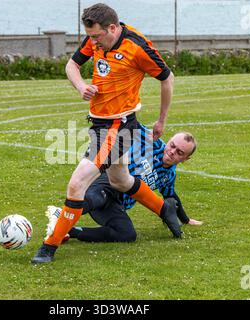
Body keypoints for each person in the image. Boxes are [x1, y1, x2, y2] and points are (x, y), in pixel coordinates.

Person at [31, 3, 175, 263]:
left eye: (97, 37)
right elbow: (71, 66)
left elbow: (167, 77)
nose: (93, 42)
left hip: (119, 127)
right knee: (121, 180)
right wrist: (80, 86)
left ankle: (48, 247)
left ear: (112, 27)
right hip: (100, 123)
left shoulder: (137, 47)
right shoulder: (96, 38)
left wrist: (161, 121)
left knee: (77, 183)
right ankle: (165, 210)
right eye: (90, 37)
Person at [45, 126, 203, 243]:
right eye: (172, 145)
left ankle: (70, 231)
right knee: (97, 197)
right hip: (107, 181)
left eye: (180, 152)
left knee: (127, 235)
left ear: (185, 159)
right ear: (168, 141)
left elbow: (170, 197)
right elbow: (130, 123)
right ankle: (61, 214)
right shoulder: (151, 142)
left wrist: (186, 219)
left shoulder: (169, 175)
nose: (172, 151)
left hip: (116, 203)